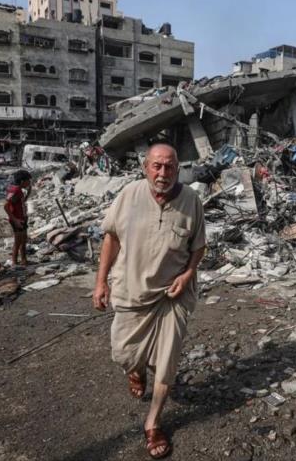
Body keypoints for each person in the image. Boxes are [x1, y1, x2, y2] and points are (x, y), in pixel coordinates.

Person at [93, 143, 206, 459]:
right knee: (123, 353)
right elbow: (111, 237)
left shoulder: (191, 201)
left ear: (177, 168)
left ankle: (153, 423)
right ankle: (136, 368)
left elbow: (199, 246)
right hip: (131, 291)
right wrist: (100, 282)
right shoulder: (129, 195)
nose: (163, 173)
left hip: (173, 294)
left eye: (169, 166)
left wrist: (188, 274)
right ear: (145, 167)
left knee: (167, 362)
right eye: (157, 166)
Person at [4, 170, 32, 268]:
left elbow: (19, 202)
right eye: (28, 181)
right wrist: (15, 220)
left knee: (23, 240)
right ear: (22, 181)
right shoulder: (16, 190)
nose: (29, 183)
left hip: (22, 218)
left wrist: (28, 193)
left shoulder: (17, 190)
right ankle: (14, 263)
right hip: (17, 220)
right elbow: (6, 206)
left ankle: (24, 260)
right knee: (18, 241)